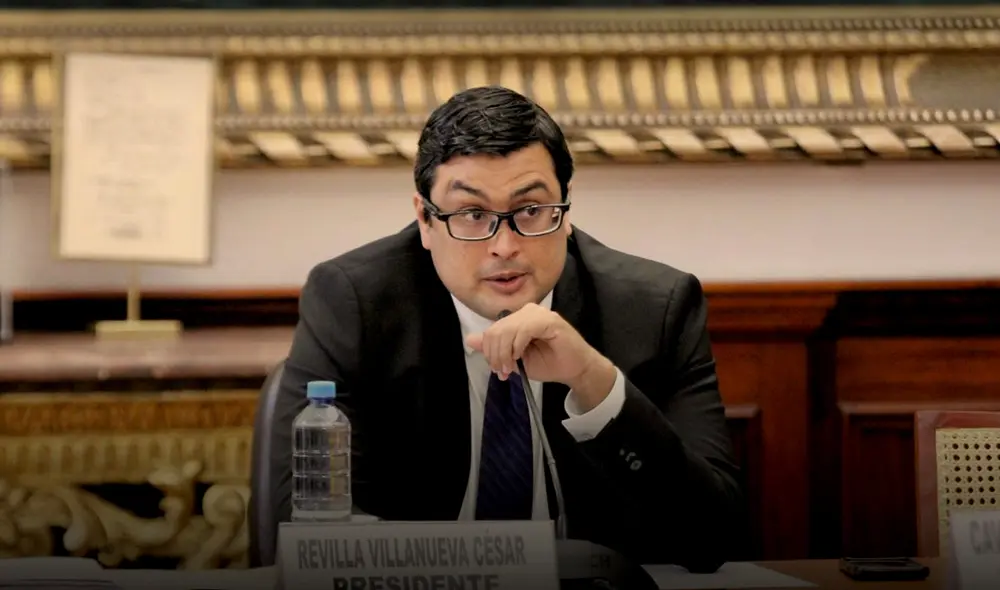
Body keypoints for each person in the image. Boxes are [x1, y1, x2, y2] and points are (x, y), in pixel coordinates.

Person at [269, 86, 743, 571]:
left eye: (530, 211)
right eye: (473, 215)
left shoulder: (653, 310)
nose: (504, 246)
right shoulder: (355, 304)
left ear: (566, 210)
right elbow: (295, 527)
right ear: (425, 220)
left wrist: (593, 382)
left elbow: (714, 536)